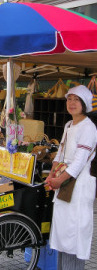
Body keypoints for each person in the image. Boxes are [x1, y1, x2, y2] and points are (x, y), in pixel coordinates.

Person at [46, 85, 97, 270]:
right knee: (63, 230)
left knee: (75, 231)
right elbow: (60, 152)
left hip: (80, 185)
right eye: (69, 99)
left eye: (77, 99)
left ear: (84, 103)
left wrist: (59, 180)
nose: (72, 103)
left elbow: (79, 161)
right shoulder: (69, 125)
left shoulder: (88, 128)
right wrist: (52, 174)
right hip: (65, 182)